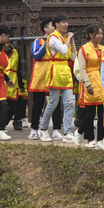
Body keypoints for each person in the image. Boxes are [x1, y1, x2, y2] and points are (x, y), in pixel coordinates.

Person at [39, 15, 77, 144]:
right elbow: (63, 49)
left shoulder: (65, 38)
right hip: (55, 70)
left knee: (69, 103)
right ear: (56, 25)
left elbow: (73, 56)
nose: (66, 24)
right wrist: (69, 38)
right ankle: (43, 128)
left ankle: (67, 132)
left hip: (65, 71)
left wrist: (72, 41)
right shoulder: (53, 37)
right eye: (63, 22)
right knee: (53, 103)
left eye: (67, 22)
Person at [28, 19, 63, 140]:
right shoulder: (38, 41)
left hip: (53, 73)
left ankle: (56, 129)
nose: (54, 27)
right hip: (41, 74)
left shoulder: (58, 40)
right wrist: (48, 42)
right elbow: (36, 55)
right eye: (52, 26)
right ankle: (33, 129)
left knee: (56, 103)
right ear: (45, 29)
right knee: (38, 104)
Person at [75, 24, 104, 148]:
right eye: (97, 33)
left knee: (102, 113)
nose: (100, 36)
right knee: (89, 113)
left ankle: (100, 139)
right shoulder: (84, 49)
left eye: (101, 33)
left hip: (102, 81)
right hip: (90, 80)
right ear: (90, 35)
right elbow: (82, 68)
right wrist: (87, 83)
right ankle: (88, 137)